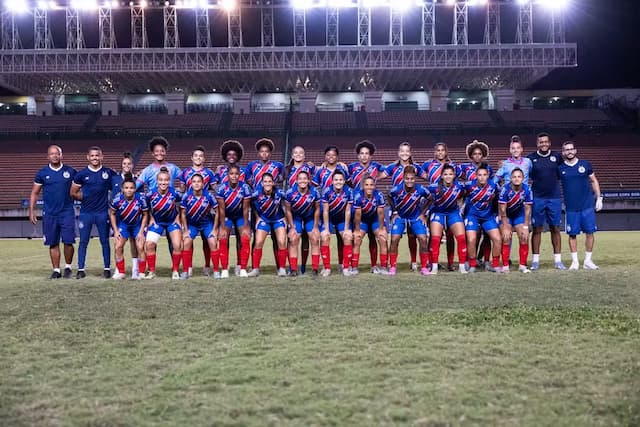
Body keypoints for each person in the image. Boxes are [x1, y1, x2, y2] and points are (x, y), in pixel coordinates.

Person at [29, 145, 77, 279]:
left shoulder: (71, 171)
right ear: (48, 156)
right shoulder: (42, 173)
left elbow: (80, 187)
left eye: (57, 153)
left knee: (68, 241)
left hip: (67, 212)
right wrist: (32, 210)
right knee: (53, 242)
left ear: (61, 155)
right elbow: (34, 193)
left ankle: (68, 267)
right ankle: (56, 270)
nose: (55, 156)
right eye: (52, 154)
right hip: (50, 214)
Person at [70, 146, 116, 279]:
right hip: (86, 213)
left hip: (102, 213)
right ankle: (81, 269)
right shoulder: (81, 175)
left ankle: (107, 269)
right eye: (92, 155)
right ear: (88, 157)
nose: (95, 158)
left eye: (97, 155)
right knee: (83, 241)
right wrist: (84, 197)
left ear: (101, 157)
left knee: (105, 241)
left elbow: (118, 186)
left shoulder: (109, 173)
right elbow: (73, 192)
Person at [558, 141, 603, 270]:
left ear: (575, 150)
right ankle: (575, 262)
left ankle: (588, 261)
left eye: (571, 149)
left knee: (590, 233)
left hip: (587, 206)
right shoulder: (560, 169)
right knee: (572, 234)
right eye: (566, 150)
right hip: (571, 208)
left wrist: (599, 197)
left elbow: (594, 180)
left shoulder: (585, 164)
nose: (569, 151)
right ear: (563, 152)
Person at [527, 132, 565, 270]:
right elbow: (525, 175)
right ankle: (535, 261)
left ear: (549, 143)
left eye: (546, 142)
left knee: (555, 228)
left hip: (554, 198)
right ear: (537, 144)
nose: (543, 144)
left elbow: (563, 173)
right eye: (541, 142)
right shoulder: (531, 158)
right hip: (537, 198)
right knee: (537, 228)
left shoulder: (557, 157)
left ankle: (558, 261)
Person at [421, 142, 461, 272]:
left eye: (442, 150)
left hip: (450, 205)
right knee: (433, 236)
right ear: (435, 152)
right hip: (434, 204)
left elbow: (461, 180)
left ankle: (450, 263)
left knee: (450, 235)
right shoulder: (428, 164)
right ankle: (431, 262)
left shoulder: (453, 166)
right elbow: (420, 173)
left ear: (446, 152)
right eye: (437, 150)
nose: (440, 153)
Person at [348, 140, 386, 275]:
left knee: (375, 238)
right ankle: (353, 267)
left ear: (370, 156)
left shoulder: (376, 166)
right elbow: (342, 176)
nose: (364, 156)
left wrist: (379, 177)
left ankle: (376, 266)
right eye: (361, 153)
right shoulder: (351, 167)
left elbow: (388, 171)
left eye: (367, 154)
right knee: (356, 238)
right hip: (359, 208)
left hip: (373, 210)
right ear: (358, 156)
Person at [179, 145, 217, 277]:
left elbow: (216, 188)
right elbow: (182, 189)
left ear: (204, 158)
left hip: (205, 211)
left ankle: (207, 266)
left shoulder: (209, 173)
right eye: (196, 155)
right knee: (189, 240)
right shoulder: (185, 172)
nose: (198, 158)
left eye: (200, 156)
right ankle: (188, 268)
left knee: (207, 241)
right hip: (190, 213)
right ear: (192, 158)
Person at [388, 166, 431, 276]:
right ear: (403, 178)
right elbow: (389, 196)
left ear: (415, 178)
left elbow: (431, 198)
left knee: (423, 238)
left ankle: (424, 268)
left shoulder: (420, 189)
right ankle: (392, 267)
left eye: (412, 178)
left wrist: (423, 214)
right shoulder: (397, 189)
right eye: (407, 178)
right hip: (401, 218)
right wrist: (394, 212)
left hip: (415, 217)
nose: (410, 181)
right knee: (394, 239)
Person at [383, 142, 419, 273]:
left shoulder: (415, 168)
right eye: (402, 151)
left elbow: (429, 176)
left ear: (410, 153)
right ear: (398, 153)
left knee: (412, 236)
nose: (404, 153)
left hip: (412, 207)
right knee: (395, 237)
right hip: (397, 208)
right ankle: (392, 264)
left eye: (407, 151)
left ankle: (414, 262)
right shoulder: (393, 167)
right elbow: (378, 176)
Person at [312, 146, 349, 271]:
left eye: (333, 155)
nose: (331, 157)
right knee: (325, 237)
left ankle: (342, 264)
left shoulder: (342, 170)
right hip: (326, 209)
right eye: (328, 155)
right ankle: (325, 266)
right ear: (325, 157)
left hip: (341, 210)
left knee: (342, 238)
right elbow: (313, 185)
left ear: (337, 157)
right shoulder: (321, 171)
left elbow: (349, 185)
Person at [427, 164, 468, 274]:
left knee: (461, 238)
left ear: (454, 175)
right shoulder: (433, 187)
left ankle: (462, 266)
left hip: (453, 213)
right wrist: (423, 213)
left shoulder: (460, 186)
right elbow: (424, 198)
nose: (448, 176)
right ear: (441, 176)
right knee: (435, 239)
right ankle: (434, 266)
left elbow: (466, 194)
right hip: (438, 213)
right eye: (445, 174)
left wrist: (461, 205)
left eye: (450, 174)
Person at [144, 167, 183, 279]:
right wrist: (150, 218)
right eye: (161, 180)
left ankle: (175, 271)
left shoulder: (174, 193)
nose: (163, 182)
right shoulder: (150, 194)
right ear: (157, 181)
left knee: (177, 245)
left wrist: (178, 217)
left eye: (166, 180)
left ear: (169, 181)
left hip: (171, 222)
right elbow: (144, 208)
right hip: (157, 222)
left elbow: (185, 203)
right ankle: (151, 271)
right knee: (149, 244)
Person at [463, 164, 502, 273]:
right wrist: (461, 208)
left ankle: (494, 265)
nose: (482, 177)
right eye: (479, 175)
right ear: (476, 176)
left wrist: (498, 214)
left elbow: (500, 199)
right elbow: (459, 195)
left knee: (497, 239)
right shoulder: (469, 185)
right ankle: (472, 264)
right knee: (471, 239)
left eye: (484, 175)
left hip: (488, 217)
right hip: (472, 216)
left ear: (488, 175)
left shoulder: (494, 186)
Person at [247, 173, 288, 277]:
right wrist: (257, 218)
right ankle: (255, 269)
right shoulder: (256, 193)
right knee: (259, 242)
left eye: (270, 181)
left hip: (278, 219)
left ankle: (282, 269)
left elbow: (288, 203)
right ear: (262, 183)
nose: (268, 183)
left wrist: (285, 218)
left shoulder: (280, 193)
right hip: (264, 219)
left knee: (281, 241)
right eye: (265, 181)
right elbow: (251, 204)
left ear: (273, 183)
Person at [109, 173, 149, 280]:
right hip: (124, 225)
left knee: (140, 247)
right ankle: (121, 272)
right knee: (118, 246)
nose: (129, 190)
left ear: (135, 189)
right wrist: (116, 230)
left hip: (137, 225)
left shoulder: (141, 198)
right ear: (122, 189)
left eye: (131, 188)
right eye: (126, 188)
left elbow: (145, 214)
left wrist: (141, 231)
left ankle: (141, 273)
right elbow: (112, 213)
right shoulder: (117, 199)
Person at [216, 164, 252, 278]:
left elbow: (246, 208)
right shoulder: (221, 188)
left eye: (236, 174)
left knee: (245, 238)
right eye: (231, 174)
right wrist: (222, 226)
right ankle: (225, 269)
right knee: (223, 238)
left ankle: (242, 268)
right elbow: (221, 209)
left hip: (240, 215)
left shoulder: (245, 187)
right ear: (227, 175)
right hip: (227, 215)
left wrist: (246, 225)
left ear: (240, 175)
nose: (234, 176)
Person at [285, 145, 316, 274]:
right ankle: (292, 267)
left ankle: (303, 266)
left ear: (304, 155)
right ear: (292, 155)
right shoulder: (287, 169)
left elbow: (324, 169)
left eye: (301, 153)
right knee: (293, 238)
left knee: (307, 238)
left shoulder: (309, 167)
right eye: (295, 153)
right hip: (294, 208)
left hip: (308, 206)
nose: (298, 155)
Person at [284, 170, 321, 277]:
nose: (303, 181)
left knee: (314, 238)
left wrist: (315, 227)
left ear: (309, 180)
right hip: (296, 217)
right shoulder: (290, 193)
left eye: (305, 178)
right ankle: (294, 269)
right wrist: (291, 227)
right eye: (300, 179)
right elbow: (288, 211)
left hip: (310, 217)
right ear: (296, 180)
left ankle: (314, 269)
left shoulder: (315, 192)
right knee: (294, 239)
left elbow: (318, 209)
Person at [111, 151, 141, 278]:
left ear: (132, 165)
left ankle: (135, 268)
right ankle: (119, 270)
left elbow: (140, 199)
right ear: (121, 165)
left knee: (135, 244)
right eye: (124, 163)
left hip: (134, 219)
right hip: (119, 218)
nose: (127, 165)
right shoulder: (114, 179)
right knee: (117, 244)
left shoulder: (137, 181)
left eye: (129, 163)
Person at [498, 168, 533, 274]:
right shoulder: (505, 189)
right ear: (510, 178)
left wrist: (526, 227)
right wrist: (504, 226)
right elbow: (502, 210)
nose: (516, 179)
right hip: (506, 216)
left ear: (523, 178)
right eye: (514, 177)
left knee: (524, 236)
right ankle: (505, 266)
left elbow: (527, 210)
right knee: (506, 237)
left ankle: (522, 265)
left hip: (519, 215)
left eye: (519, 177)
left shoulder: (527, 189)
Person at [352, 175, 388, 275]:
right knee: (357, 239)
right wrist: (357, 230)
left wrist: (381, 229)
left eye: (371, 185)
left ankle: (382, 267)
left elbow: (381, 213)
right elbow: (358, 214)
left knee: (382, 238)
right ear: (363, 185)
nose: (369, 187)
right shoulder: (358, 196)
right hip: (363, 219)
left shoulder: (379, 195)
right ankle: (354, 267)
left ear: (374, 186)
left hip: (375, 219)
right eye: (367, 185)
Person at [320, 169, 354, 277]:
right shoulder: (326, 191)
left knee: (348, 237)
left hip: (342, 219)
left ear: (344, 181)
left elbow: (348, 211)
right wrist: (326, 229)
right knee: (325, 237)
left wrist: (346, 228)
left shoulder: (349, 191)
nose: (338, 182)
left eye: (340, 180)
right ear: (332, 181)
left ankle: (345, 268)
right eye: (336, 180)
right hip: (329, 219)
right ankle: (327, 268)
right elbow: (325, 211)